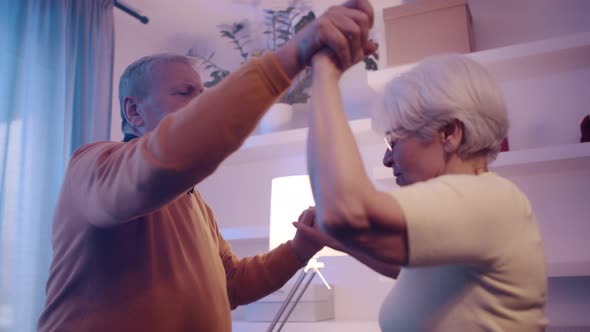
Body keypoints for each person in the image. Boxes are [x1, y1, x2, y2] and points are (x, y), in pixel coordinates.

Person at [37, 1, 378, 331]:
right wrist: (287, 60)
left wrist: (300, 248)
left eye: (203, 92)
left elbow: (232, 285)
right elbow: (165, 159)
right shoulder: (93, 166)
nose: (201, 101)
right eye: (186, 92)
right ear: (134, 113)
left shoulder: (196, 203)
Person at [297, 52, 549, 330]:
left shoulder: (489, 199)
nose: (387, 159)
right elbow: (410, 271)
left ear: (449, 133)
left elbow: (344, 209)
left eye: (395, 141)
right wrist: (340, 241)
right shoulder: (475, 208)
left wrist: (324, 71)